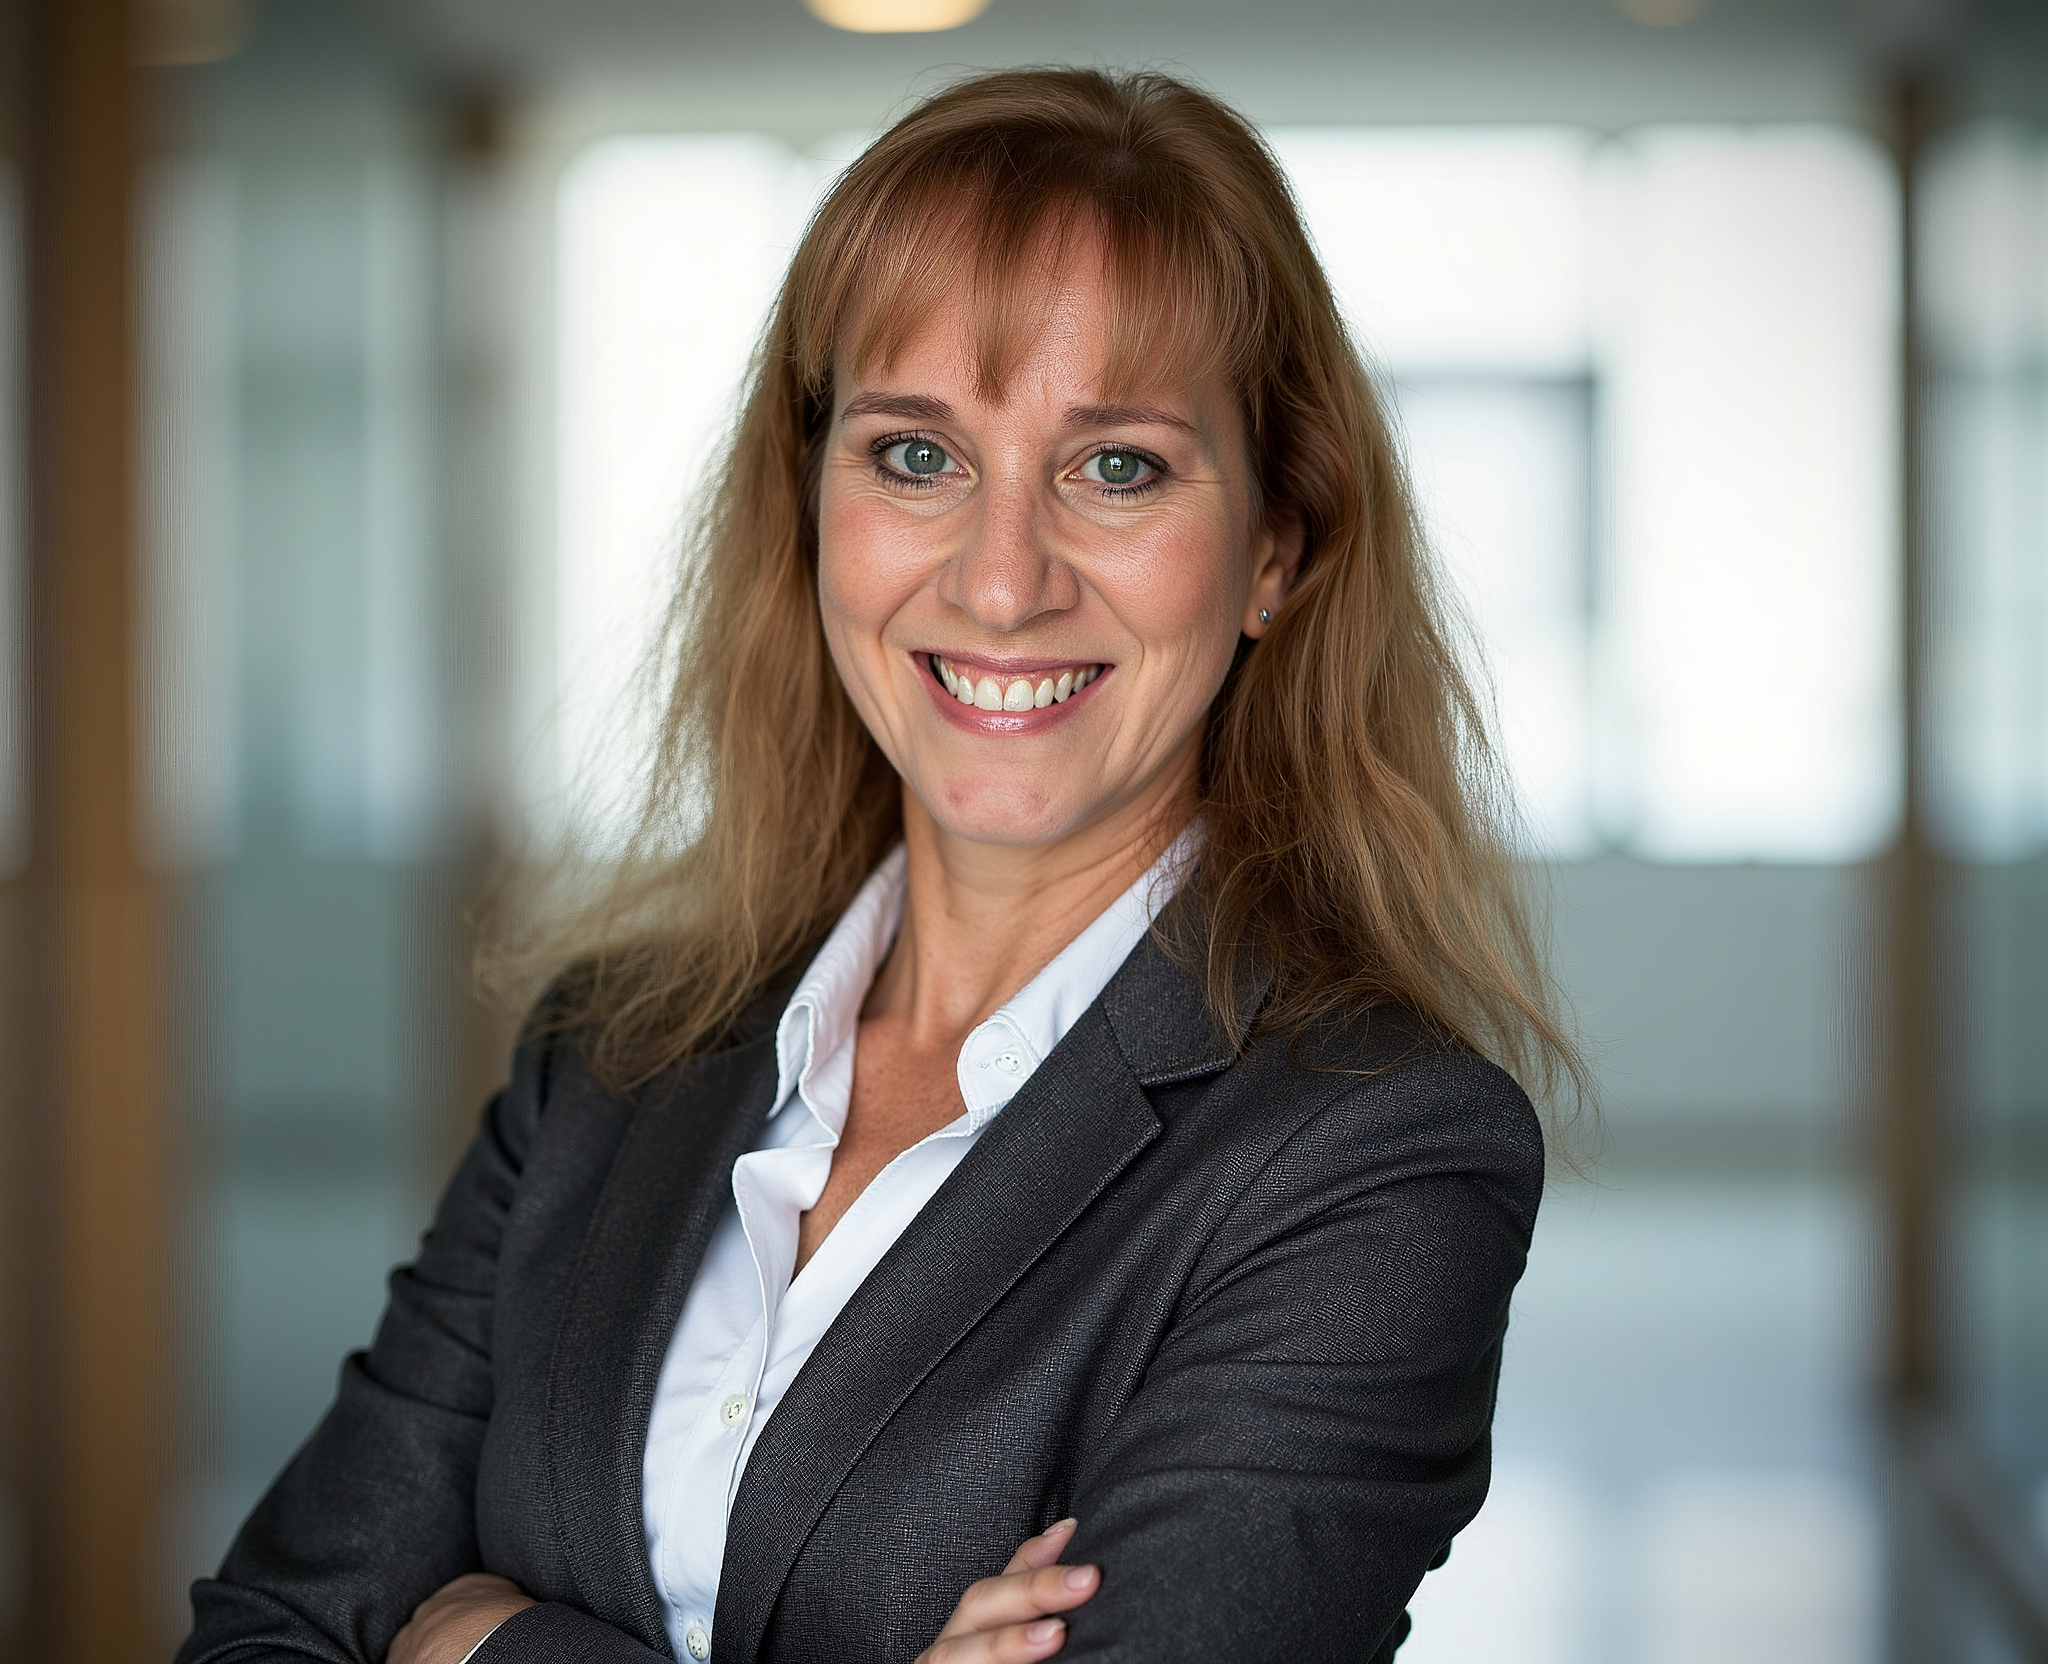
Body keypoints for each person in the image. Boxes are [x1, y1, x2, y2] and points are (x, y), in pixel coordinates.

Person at [177, 66, 1580, 1664]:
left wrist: (484, 1645)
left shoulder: (1375, 1155)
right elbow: (267, 1630)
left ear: (1275, 548)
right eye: (915, 455)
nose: (999, 581)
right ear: (813, 502)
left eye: (1115, 464)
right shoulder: (613, 1053)